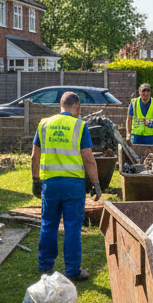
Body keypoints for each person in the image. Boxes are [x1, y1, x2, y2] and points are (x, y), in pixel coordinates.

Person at [31, 91, 101, 282]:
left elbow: (34, 157)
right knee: (72, 227)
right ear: (76, 107)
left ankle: (45, 266)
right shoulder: (80, 126)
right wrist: (95, 183)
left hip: (50, 184)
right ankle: (72, 270)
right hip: (73, 185)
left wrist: (35, 180)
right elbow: (88, 159)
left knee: (49, 224)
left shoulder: (44, 124)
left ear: (60, 105)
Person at [125, 82, 153, 157]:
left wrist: (151, 123)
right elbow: (129, 120)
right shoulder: (134, 103)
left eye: (148, 91)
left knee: (151, 157)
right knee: (135, 156)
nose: (146, 93)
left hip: (150, 136)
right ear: (139, 92)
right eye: (143, 91)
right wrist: (128, 134)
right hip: (136, 136)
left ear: (150, 92)